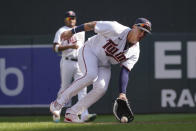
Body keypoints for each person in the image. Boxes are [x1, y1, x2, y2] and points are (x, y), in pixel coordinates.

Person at [50, 17, 152, 123]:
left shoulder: (135, 51)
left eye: (145, 33)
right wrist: (72, 31)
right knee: (91, 75)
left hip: (104, 64)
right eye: (141, 31)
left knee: (101, 89)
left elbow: (125, 71)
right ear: (134, 27)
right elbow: (92, 25)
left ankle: (72, 113)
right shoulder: (116, 28)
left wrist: (122, 93)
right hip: (90, 51)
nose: (142, 35)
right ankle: (58, 102)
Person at [52, 10, 96, 122]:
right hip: (67, 61)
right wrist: (70, 46)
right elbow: (55, 48)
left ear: (75, 19)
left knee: (83, 89)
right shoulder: (61, 31)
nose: (71, 20)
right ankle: (57, 111)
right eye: (69, 18)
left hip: (80, 62)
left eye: (73, 18)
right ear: (65, 19)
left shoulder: (80, 31)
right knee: (65, 87)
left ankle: (84, 114)